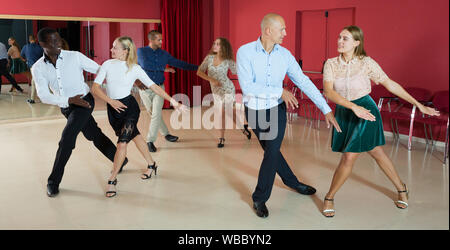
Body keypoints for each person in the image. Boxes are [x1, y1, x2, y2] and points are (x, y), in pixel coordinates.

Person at [321, 25, 440, 217]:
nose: (339, 41)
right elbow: (329, 92)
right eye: (339, 37)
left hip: (366, 111)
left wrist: (418, 104)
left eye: (345, 38)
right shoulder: (331, 63)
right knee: (376, 152)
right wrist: (352, 107)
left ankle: (329, 197)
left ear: (357, 43)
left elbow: (390, 84)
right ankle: (402, 187)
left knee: (349, 156)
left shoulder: (366, 63)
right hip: (346, 110)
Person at [236, 13, 341, 218]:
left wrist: (325, 108)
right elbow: (247, 87)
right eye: (282, 29)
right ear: (268, 31)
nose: (285, 33)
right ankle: (292, 182)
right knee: (272, 151)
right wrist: (280, 92)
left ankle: (259, 197)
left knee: (272, 150)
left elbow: (302, 80)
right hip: (255, 110)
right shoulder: (245, 52)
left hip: (276, 109)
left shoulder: (284, 55)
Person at [31, 27, 129, 197]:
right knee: (93, 134)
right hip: (66, 105)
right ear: (42, 44)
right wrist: (68, 101)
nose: (57, 43)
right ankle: (119, 160)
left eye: (58, 39)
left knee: (67, 139)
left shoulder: (74, 56)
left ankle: (53, 181)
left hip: (84, 101)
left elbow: (100, 70)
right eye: (52, 41)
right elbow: (43, 95)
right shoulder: (38, 67)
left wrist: (130, 79)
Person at [91, 36, 187, 198]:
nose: (111, 50)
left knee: (122, 144)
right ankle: (152, 164)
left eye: (115, 48)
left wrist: (173, 102)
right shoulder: (107, 65)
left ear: (126, 51)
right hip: (113, 108)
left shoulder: (135, 68)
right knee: (136, 137)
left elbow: (154, 87)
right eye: (112, 47)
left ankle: (112, 179)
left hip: (129, 109)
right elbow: (95, 88)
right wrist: (111, 101)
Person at [137, 30, 198, 152]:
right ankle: (166, 134)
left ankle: (150, 140)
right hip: (145, 88)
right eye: (159, 39)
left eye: (161, 39)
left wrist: (198, 68)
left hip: (159, 87)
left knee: (156, 113)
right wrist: (165, 69)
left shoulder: (164, 54)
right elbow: (145, 65)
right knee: (153, 113)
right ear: (152, 40)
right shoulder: (141, 51)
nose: (161, 42)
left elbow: (179, 63)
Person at [197, 37, 252, 148]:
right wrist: (211, 80)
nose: (215, 46)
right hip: (216, 91)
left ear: (224, 47)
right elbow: (199, 72)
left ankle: (221, 138)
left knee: (222, 112)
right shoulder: (209, 58)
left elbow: (238, 72)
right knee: (229, 112)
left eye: (218, 44)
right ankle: (243, 129)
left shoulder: (228, 60)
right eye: (214, 43)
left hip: (227, 89)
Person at [21, 34, 44, 103]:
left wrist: (26, 60)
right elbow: (43, 57)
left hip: (32, 66)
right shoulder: (40, 47)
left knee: (34, 81)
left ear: (29, 40)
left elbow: (22, 56)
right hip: (40, 66)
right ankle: (38, 97)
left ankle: (32, 99)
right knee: (37, 81)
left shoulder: (25, 47)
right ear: (36, 39)